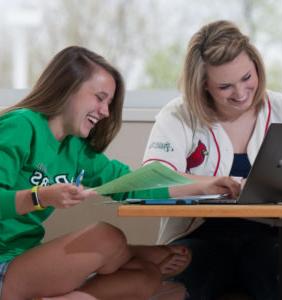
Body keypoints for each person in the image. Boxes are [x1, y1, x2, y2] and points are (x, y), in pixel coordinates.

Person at [0, 46, 240, 300]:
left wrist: (206, 184)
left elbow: (136, 183)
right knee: (106, 237)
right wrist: (39, 197)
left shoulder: (77, 150)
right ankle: (129, 252)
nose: (105, 111)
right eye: (100, 97)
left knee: (145, 278)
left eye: (109, 103)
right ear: (68, 88)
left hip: (24, 260)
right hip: (4, 266)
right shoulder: (21, 126)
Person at [143, 20, 282, 300]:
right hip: (198, 237)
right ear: (203, 85)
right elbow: (151, 179)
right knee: (181, 285)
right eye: (225, 86)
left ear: (257, 67)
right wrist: (207, 184)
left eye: (247, 78)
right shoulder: (179, 115)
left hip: (273, 238)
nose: (240, 94)